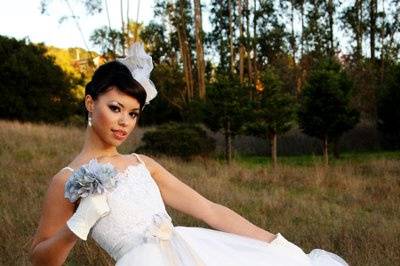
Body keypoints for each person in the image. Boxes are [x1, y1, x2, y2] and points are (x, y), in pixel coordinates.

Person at [29, 43, 348, 266]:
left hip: (191, 254)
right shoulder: (67, 181)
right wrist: (77, 225)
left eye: (133, 113)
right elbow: (41, 259)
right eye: (115, 108)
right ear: (89, 103)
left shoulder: (143, 165)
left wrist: (274, 242)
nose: (125, 121)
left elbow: (209, 210)